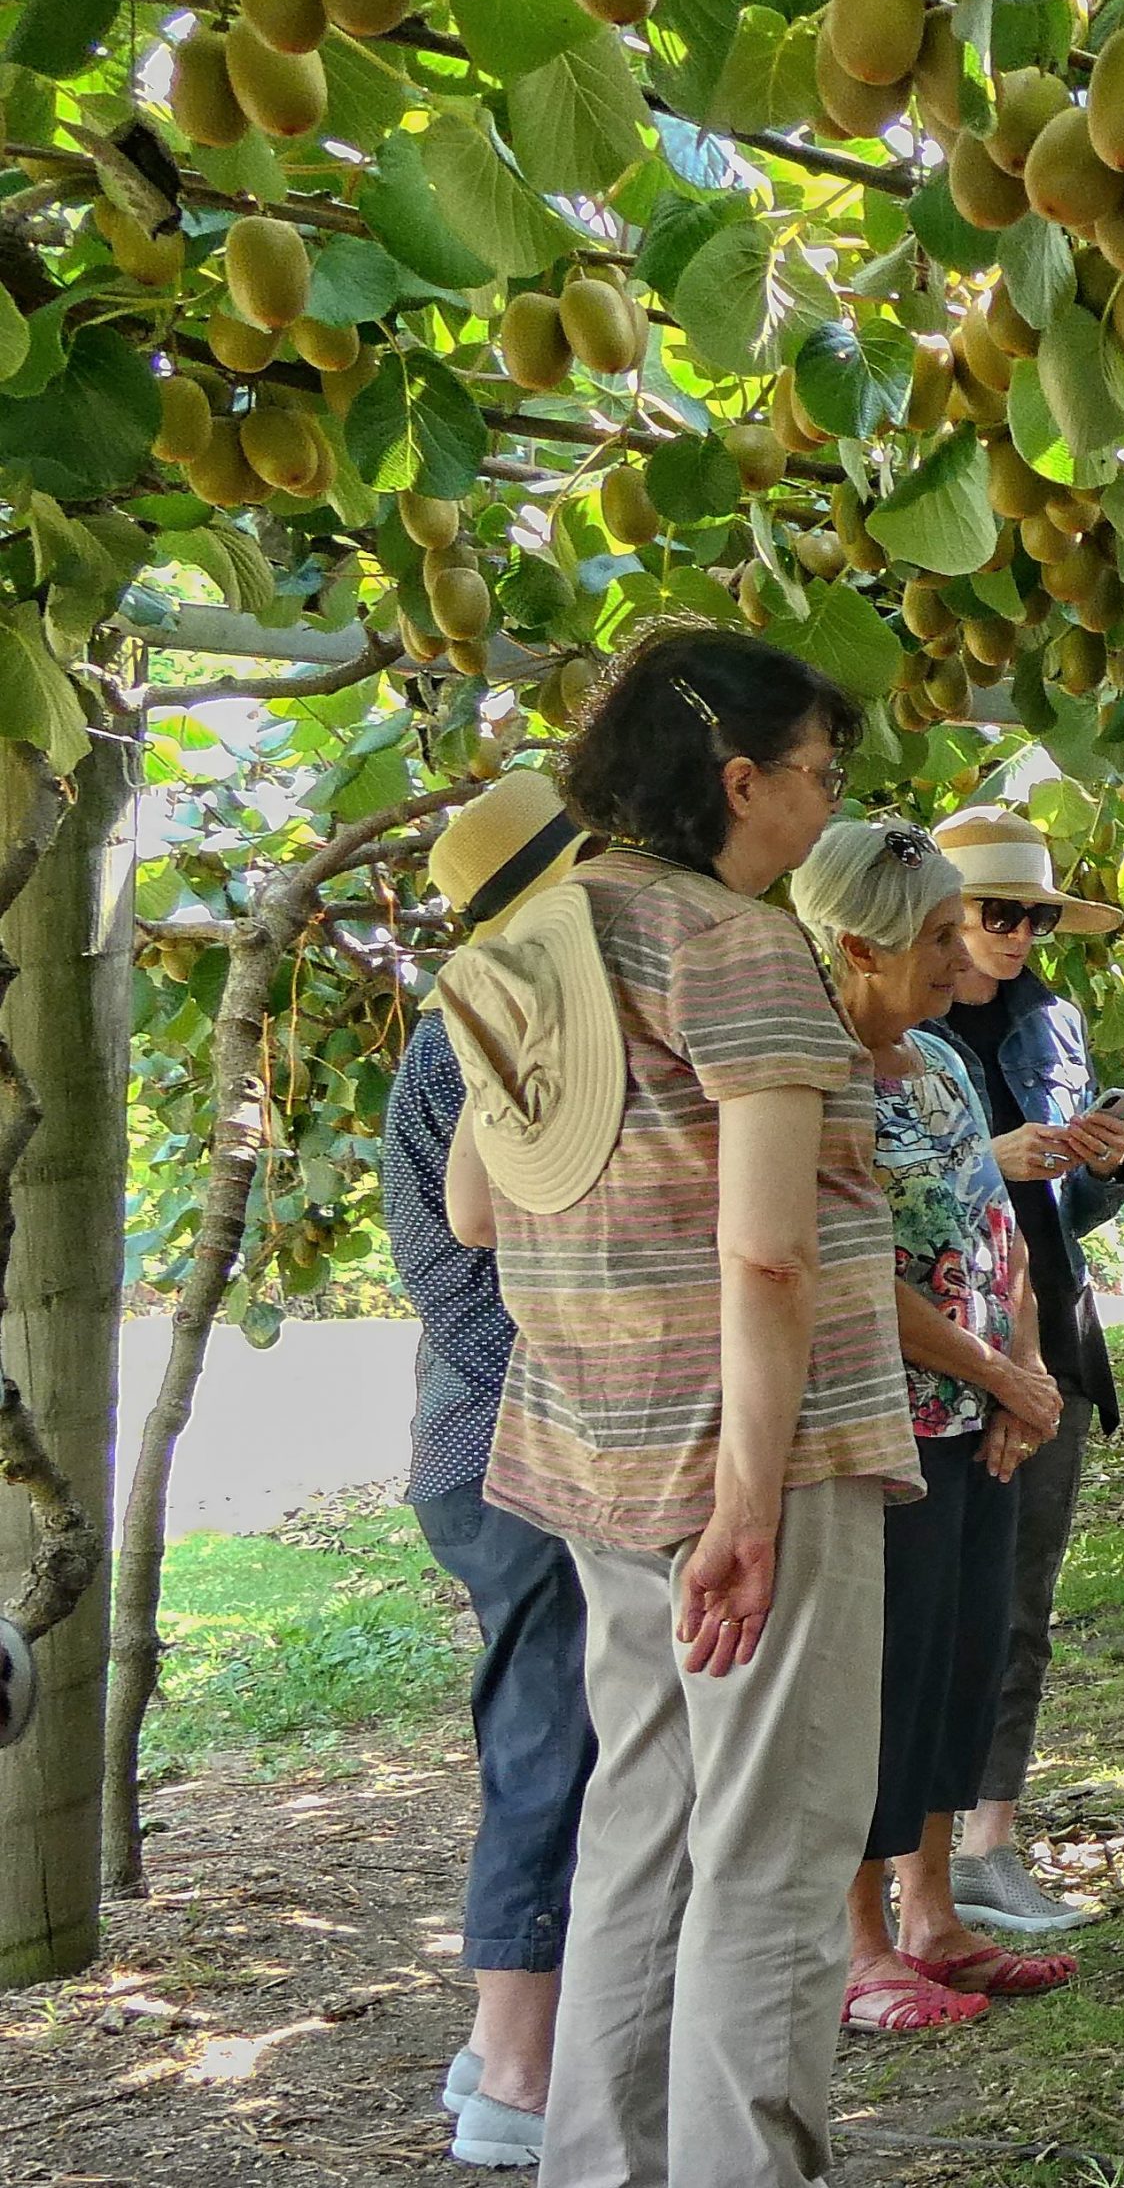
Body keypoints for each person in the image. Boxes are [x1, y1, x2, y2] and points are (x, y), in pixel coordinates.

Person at [440, 626, 915, 2188]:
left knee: (641, 1821)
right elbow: (770, 1249)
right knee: (773, 1851)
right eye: (817, 777)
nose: (823, 808)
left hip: (592, 1444)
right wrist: (748, 1500)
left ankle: (606, 2163)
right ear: (738, 779)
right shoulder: (730, 939)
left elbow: (482, 1213)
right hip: (752, 1460)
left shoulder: (529, 938)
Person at [790, 820, 1075, 2032]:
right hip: (879, 1425)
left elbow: (991, 1228)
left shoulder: (940, 1063)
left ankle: (934, 1914)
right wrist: (992, 1375)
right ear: (855, 941)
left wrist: (1021, 1363)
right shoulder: (808, 1073)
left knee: (963, 1657)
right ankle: (854, 1950)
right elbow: (848, 1269)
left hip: (975, 1414)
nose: (963, 959)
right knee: (884, 1679)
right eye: (939, 936)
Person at [383, 771, 597, 2171]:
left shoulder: (507, 1017)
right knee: (552, 1747)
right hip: (515, 1449)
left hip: (509, 1447)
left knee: (558, 1737)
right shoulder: (481, 1034)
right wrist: (586, 1406)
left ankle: (501, 2043)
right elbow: (458, 1282)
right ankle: (516, 2074)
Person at [926, 807, 1124, 1937]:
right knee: (921, 1599)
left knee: (1020, 1596)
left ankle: (987, 1848)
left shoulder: (1049, 1020)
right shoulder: (884, 1017)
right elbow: (860, 1177)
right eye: (996, 912)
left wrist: (1104, 1160)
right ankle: (897, 1860)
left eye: (1034, 917)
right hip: (926, 1336)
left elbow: (1074, 1213)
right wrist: (981, 1161)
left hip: (1042, 1331)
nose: (1016, 935)